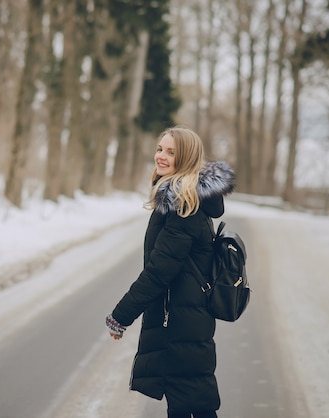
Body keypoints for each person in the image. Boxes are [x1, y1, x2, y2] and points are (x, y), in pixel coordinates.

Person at [105, 126, 235, 418]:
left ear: (186, 158)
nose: (161, 156)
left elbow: (159, 271)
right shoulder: (183, 198)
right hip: (183, 319)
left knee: (192, 405)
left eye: (171, 152)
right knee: (190, 404)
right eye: (160, 149)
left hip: (181, 323)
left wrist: (121, 316)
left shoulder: (183, 205)